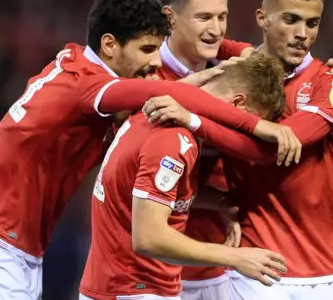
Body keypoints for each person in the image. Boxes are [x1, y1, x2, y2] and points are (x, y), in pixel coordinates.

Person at [0, 0, 296, 300]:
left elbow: (162, 95)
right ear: (110, 45)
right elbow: (168, 93)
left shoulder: (77, 66)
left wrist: (218, 201)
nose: (156, 63)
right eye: (146, 49)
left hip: (25, 241)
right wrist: (259, 126)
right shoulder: (91, 87)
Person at [149, 0, 333, 300]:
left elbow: (274, 148)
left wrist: (194, 119)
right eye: (290, 20)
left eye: (312, 23)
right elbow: (199, 39)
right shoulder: (230, 75)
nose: (302, 33)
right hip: (255, 269)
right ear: (262, 18)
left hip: (328, 272)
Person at [79, 52, 289, 300]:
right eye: (248, 124)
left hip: (122, 286)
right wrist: (237, 257)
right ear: (238, 105)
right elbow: (148, 237)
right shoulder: (173, 138)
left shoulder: (153, 113)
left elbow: (145, 196)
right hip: (135, 290)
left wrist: (219, 203)